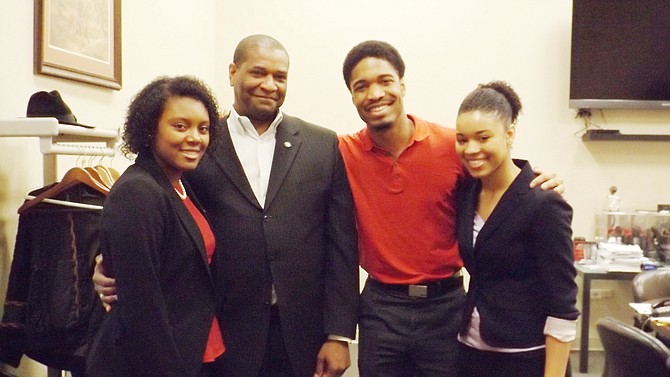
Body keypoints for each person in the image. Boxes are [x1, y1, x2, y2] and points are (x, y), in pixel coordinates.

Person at [94, 35, 360, 377]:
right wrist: (105, 265)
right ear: (233, 72)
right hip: (221, 331)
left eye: (280, 76)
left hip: (301, 335)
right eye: (258, 72)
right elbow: (155, 223)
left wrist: (339, 333)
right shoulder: (201, 142)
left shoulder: (322, 144)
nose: (269, 84)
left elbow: (341, 243)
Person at [339, 40, 564, 377]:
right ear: (352, 96)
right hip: (380, 308)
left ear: (402, 84)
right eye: (361, 86)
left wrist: (540, 182)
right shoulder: (343, 153)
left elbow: (500, 176)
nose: (374, 93)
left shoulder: (452, 145)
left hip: (446, 306)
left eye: (385, 81)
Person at [86, 75, 225, 377]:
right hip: (151, 362)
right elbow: (142, 310)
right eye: (180, 126)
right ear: (150, 129)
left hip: (195, 347)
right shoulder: (138, 192)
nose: (195, 137)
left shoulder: (181, 184)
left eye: (203, 128)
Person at [454, 81, 578, 377]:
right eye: (462, 139)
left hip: (525, 357)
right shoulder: (466, 193)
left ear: (509, 135)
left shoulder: (543, 202)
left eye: (483, 138)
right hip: (470, 351)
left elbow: (562, 303)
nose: (471, 149)